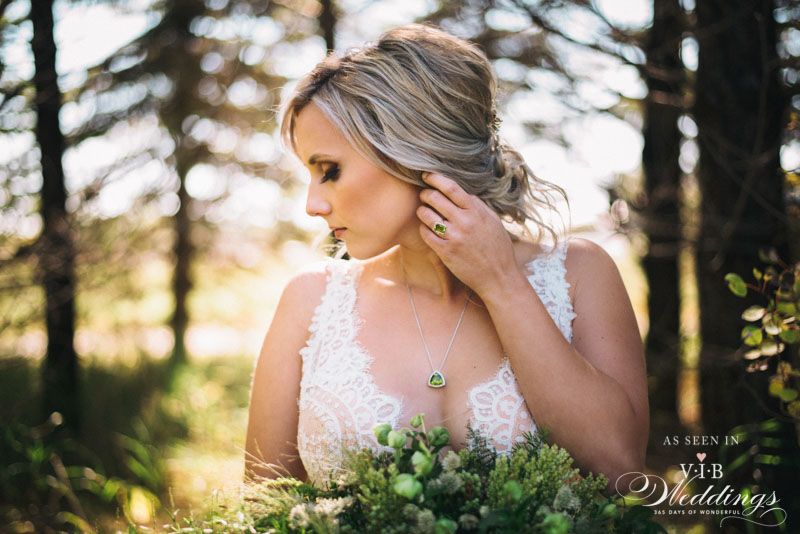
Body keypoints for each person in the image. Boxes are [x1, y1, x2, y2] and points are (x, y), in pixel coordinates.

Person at [244, 24, 649, 495]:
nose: (312, 205)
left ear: (413, 148)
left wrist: (501, 283)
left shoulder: (580, 273)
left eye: (329, 171)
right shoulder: (310, 300)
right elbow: (263, 508)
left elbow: (620, 469)